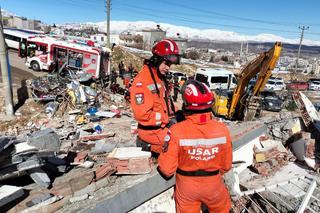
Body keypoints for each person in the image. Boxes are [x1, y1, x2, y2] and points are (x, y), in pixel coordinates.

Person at [158, 79, 233, 213]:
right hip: (214, 186)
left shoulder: (176, 131)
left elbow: (167, 169)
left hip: (187, 188)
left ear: (186, 104)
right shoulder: (222, 129)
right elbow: (226, 166)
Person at [130, 39, 181, 154]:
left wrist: (179, 113)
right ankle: (147, 146)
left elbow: (164, 103)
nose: (168, 67)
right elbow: (143, 115)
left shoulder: (158, 77)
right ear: (157, 60)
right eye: (166, 63)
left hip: (163, 126)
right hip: (152, 131)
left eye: (170, 64)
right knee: (180, 144)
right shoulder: (142, 81)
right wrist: (166, 119)